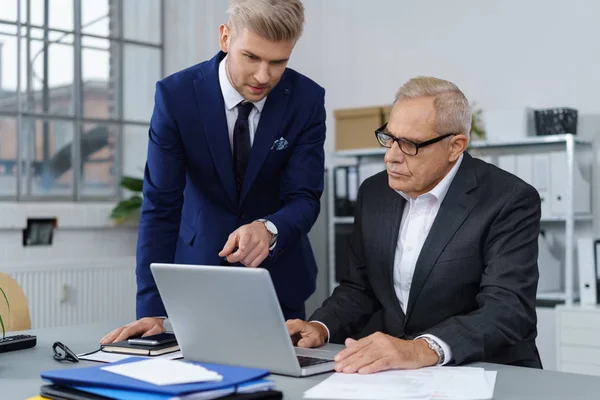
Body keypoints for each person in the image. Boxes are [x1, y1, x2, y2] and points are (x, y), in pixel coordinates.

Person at [101, 0, 325, 344]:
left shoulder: (306, 99)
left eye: (278, 62)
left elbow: (305, 197)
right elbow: (161, 206)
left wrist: (269, 228)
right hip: (197, 274)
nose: (263, 76)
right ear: (225, 38)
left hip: (281, 280)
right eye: (251, 57)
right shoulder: (176, 97)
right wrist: (152, 308)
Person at [287, 76, 542, 373]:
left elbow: (507, 309)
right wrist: (320, 326)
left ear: (455, 146)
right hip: (401, 376)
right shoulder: (374, 192)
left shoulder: (508, 199)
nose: (390, 157)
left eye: (409, 144)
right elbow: (359, 287)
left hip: (485, 369)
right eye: (389, 138)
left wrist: (420, 348)